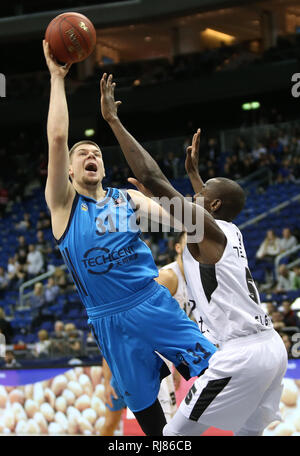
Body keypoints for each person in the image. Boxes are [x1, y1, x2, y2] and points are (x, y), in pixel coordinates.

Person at [42, 41, 216, 436]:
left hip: (151, 301)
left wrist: (195, 188)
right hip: (109, 320)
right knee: (148, 418)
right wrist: (56, 78)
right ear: (68, 171)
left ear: (102, 166)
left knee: (218, 371)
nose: (91, 155)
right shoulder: (63, 207)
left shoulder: (129, 199)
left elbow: (186, 220)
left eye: (97, 153)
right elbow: (56, 139)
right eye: (82, 153)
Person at [100, 73, 287, 437]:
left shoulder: (208, 227)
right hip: (271, 350)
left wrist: (113, 121)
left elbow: (152, 178)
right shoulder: (229, 231)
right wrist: (196, 177)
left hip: (241, 354)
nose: (191, 197)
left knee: (171, 439)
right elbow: (200, 207)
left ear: (211, 205)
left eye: (199, 194)